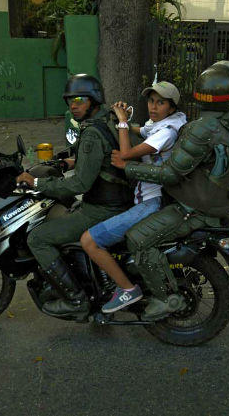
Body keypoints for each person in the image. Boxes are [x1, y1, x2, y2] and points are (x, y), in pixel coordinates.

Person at [110, 61, 229, 320]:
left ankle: (165, 298)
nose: (154, 106)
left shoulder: (203, 128)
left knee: (137, 239)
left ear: (201, 92)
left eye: (160, 102)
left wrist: (126, 166)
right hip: (218, 201)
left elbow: (169, 174)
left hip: (193, 207)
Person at [15, 74, 132, 318]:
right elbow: (98, 161)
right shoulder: (106, 122)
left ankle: (76, 299)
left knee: (38, 238)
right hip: (117, 200)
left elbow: (79, 184)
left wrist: (38, 182)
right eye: (70, 100)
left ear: (94, 100)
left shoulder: (91, 133)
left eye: (79, 99)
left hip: (101, 208)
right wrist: (69, 162)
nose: (73, 106)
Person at [79, 81, 187, 313]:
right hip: (147, 197)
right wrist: (126, 119)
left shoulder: (167, 133)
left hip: (152, 201)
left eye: (161, 103)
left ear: (171, 107)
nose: (153, 107)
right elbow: (140, 130)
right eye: (150, 101)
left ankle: (128, 289)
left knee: (89, 241)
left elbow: (126, 155)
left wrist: (122, 122)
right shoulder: (163, 124)